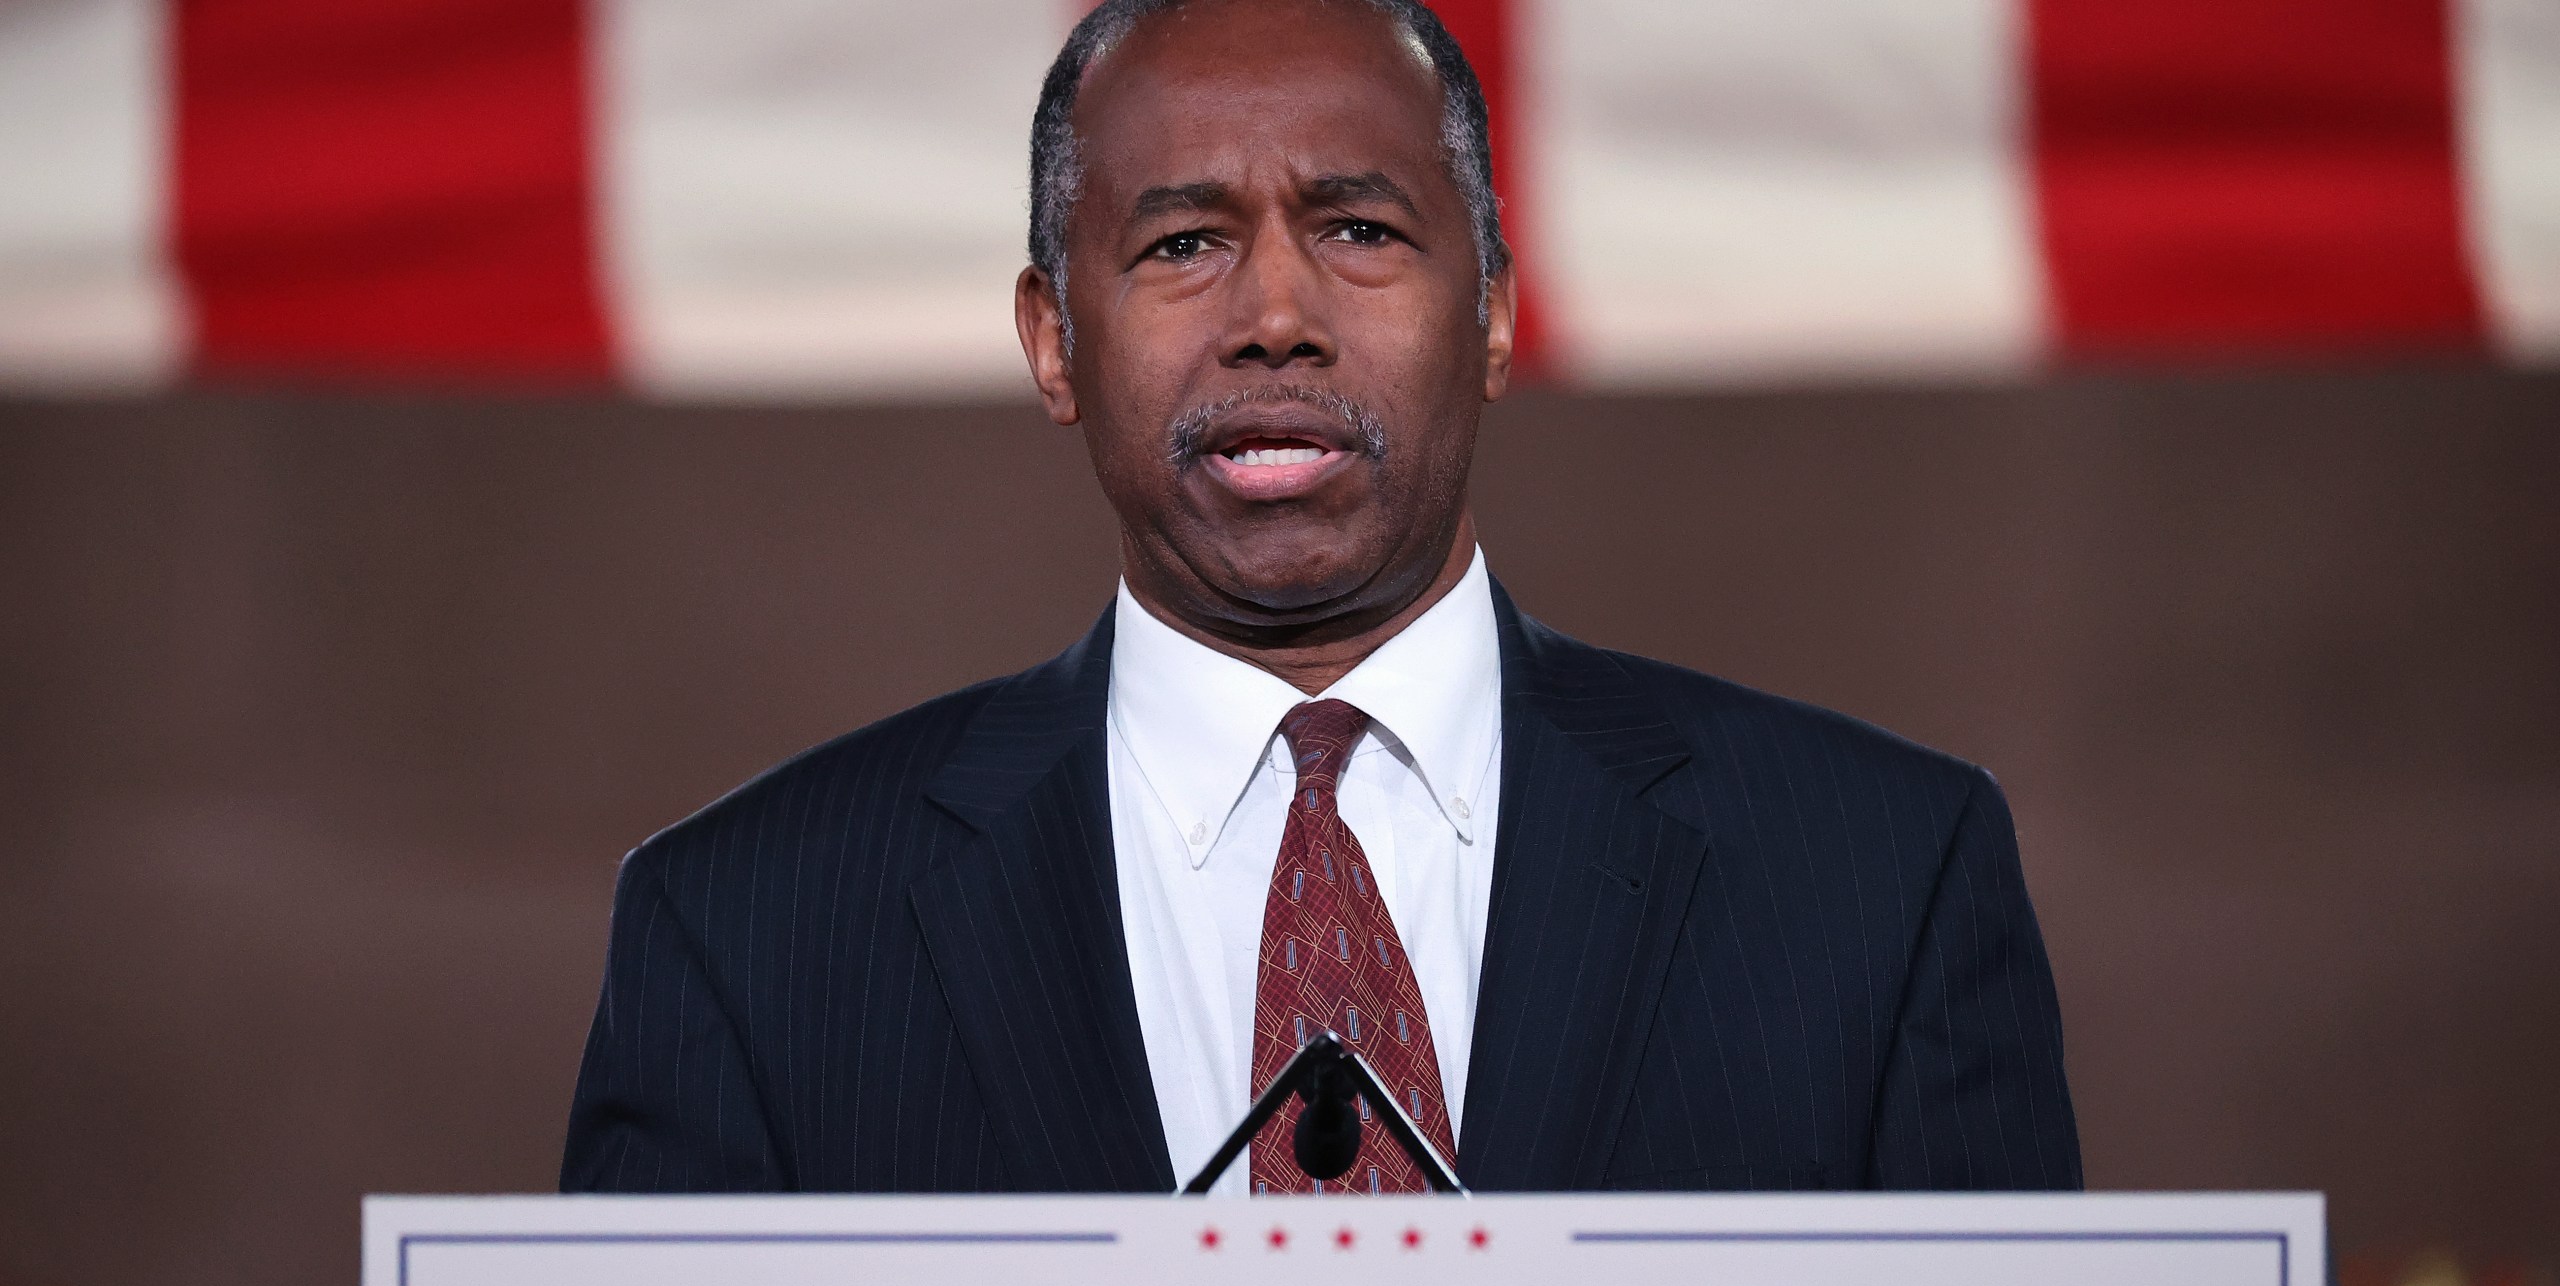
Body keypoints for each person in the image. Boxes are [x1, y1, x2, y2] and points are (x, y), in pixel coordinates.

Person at [559, 0, 2079, 1201]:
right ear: (1052, 342)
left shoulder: (1883, 882)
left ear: (1488, 310)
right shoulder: (748, 933)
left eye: (1360, 230)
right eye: (1182, 242)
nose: (1274, 317)